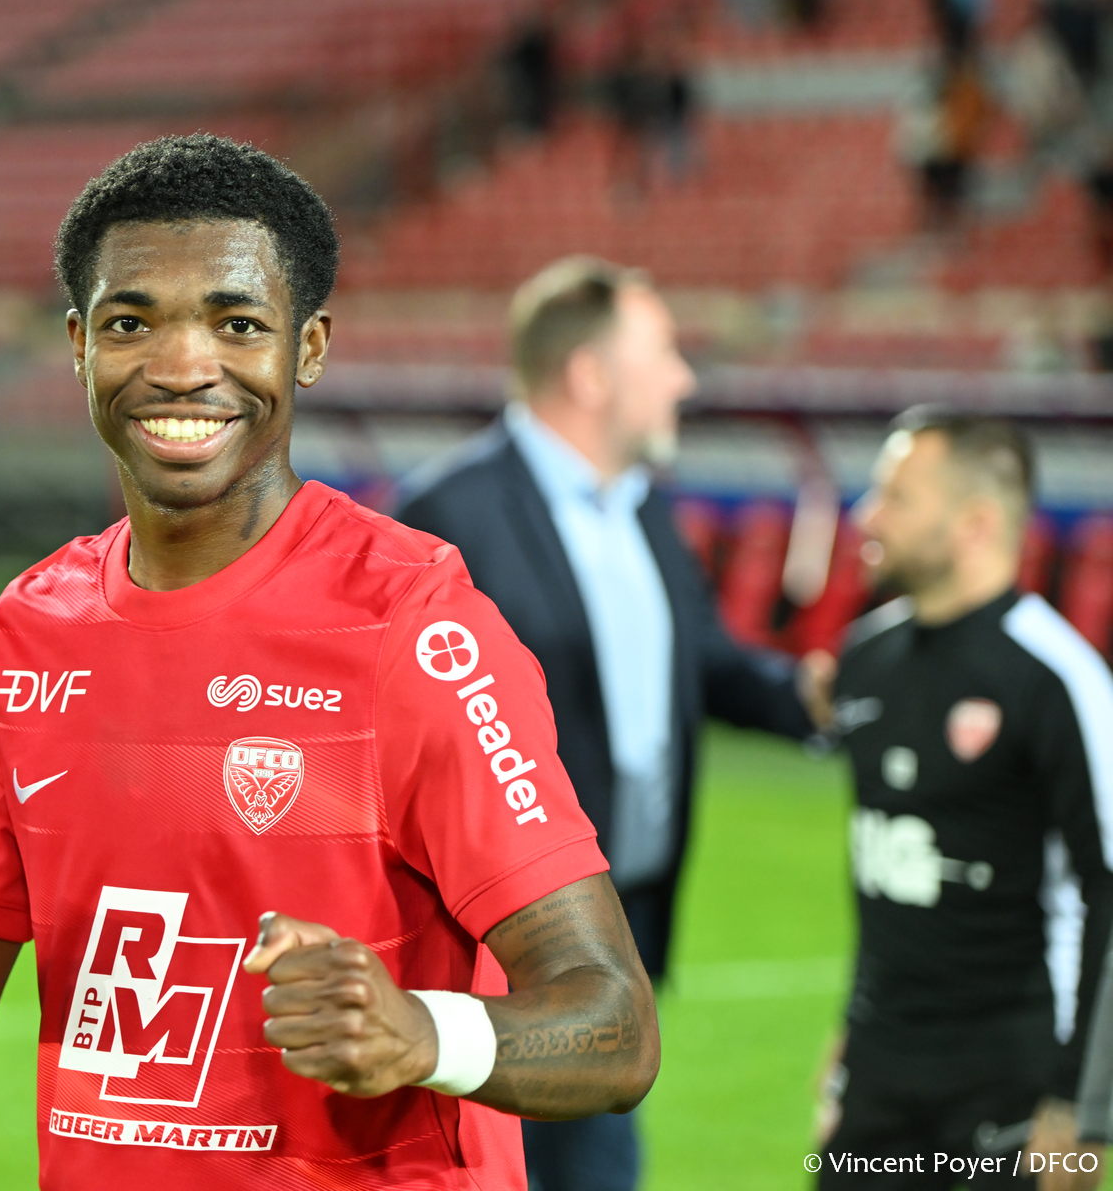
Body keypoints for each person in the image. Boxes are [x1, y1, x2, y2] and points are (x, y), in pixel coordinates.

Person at [0, 136, 659, 1189]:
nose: (182, 366)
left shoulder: (412, 626)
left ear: (308, 347)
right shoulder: (26, 636)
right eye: (130, 323)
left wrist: (424, 1034)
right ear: (78, 345)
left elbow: (614, 1023)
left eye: (237, 323)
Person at [394, 256, 822, 1191]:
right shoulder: (449, 515)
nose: (684, 379)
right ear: (590, 374)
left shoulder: (645, 509)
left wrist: (806, 697)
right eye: (662, 353)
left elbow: (702, 659)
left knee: (595, 1153)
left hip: (623, 928)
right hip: (503, 940)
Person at [814, 408, 1113, 1189]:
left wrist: (1082, 1104)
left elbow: (1108, 891)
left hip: (1010, 1075)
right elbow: (884, 871)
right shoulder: (867, 657)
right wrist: (849, 1041)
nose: (866, 516)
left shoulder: (1058, 678)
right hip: (880, 1065)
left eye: (897, 497)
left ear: (977, 522)